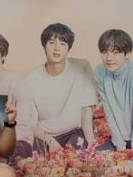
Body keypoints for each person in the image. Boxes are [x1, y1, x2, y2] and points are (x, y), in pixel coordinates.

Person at [26, 23, 97, 151]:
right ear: (44, 46)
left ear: (69, 48)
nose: (57, 48)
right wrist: (49, 141)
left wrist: (91, 143)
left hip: (73, 133)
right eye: (52, 42)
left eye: (63, 44)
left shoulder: (82, 67)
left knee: (77, 155)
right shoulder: (31, 79)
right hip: (44, 136)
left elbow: (86, 110)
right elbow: (31, 124)